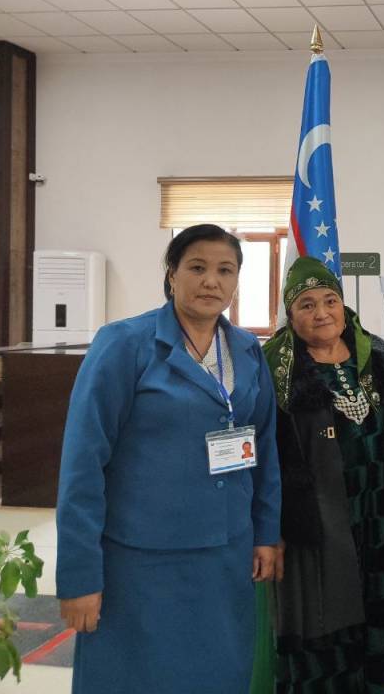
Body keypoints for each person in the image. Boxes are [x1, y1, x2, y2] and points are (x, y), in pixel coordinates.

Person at [56, 224, 281, 694]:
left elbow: (263, 447)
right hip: (141, 564)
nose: (211, 281)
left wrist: (265, 532)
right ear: (172, 274)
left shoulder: (246, 351)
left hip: (225, 557)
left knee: (217, 675)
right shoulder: (124, 345)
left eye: (225, 270)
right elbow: (82, 465)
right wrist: (80, 575)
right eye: (197, 267)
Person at [261, 256, 384, 693]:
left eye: (330, 300)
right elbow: (265, 452)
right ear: (290, 315)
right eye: (306, 304)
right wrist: (271, 525)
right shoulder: (276, 368)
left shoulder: (374, 355)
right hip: (314, 523)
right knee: (322, 617)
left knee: (373, 612)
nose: (322, 313)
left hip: (375, 515)